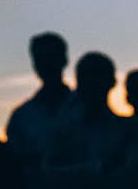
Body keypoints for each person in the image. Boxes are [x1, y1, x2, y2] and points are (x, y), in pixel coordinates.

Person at [40, 52, 129, 188]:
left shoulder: (126, 130)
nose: (91, 82)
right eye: (85, 76)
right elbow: (48, 175)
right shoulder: (60, 129)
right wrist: (99, 168)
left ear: (112, 82)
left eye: (97, 76)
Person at [6, 31, 73, 175]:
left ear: (64, 60)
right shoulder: (21, 117)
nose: (47, 64)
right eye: (41, 59)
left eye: (51, 58)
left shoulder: (86, 108)